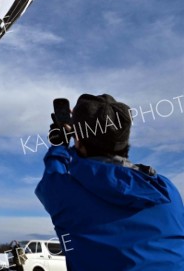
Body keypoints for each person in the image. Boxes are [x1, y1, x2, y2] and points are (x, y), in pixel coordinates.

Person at [35, 94, 184, 270]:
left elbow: (53, 173)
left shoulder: (64, 194)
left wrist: (59, 144)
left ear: (79, 140)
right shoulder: (167, 190)